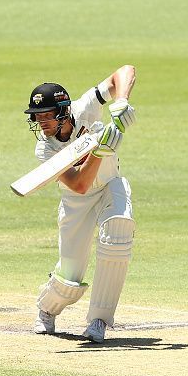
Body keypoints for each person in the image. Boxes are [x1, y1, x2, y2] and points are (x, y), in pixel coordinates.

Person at [23, 65, 137, 343]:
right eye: (37, 117)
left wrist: (121, 101)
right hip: (78, 200)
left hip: (111, 185)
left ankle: (98, 321)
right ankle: (47, 309)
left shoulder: (84, 107)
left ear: (64, 111)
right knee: (70, 276)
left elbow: (124, 72)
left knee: (118, 234)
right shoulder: (46, 149)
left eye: (47, 115)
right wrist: (100, 150)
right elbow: (79, 184)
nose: (42, 123)